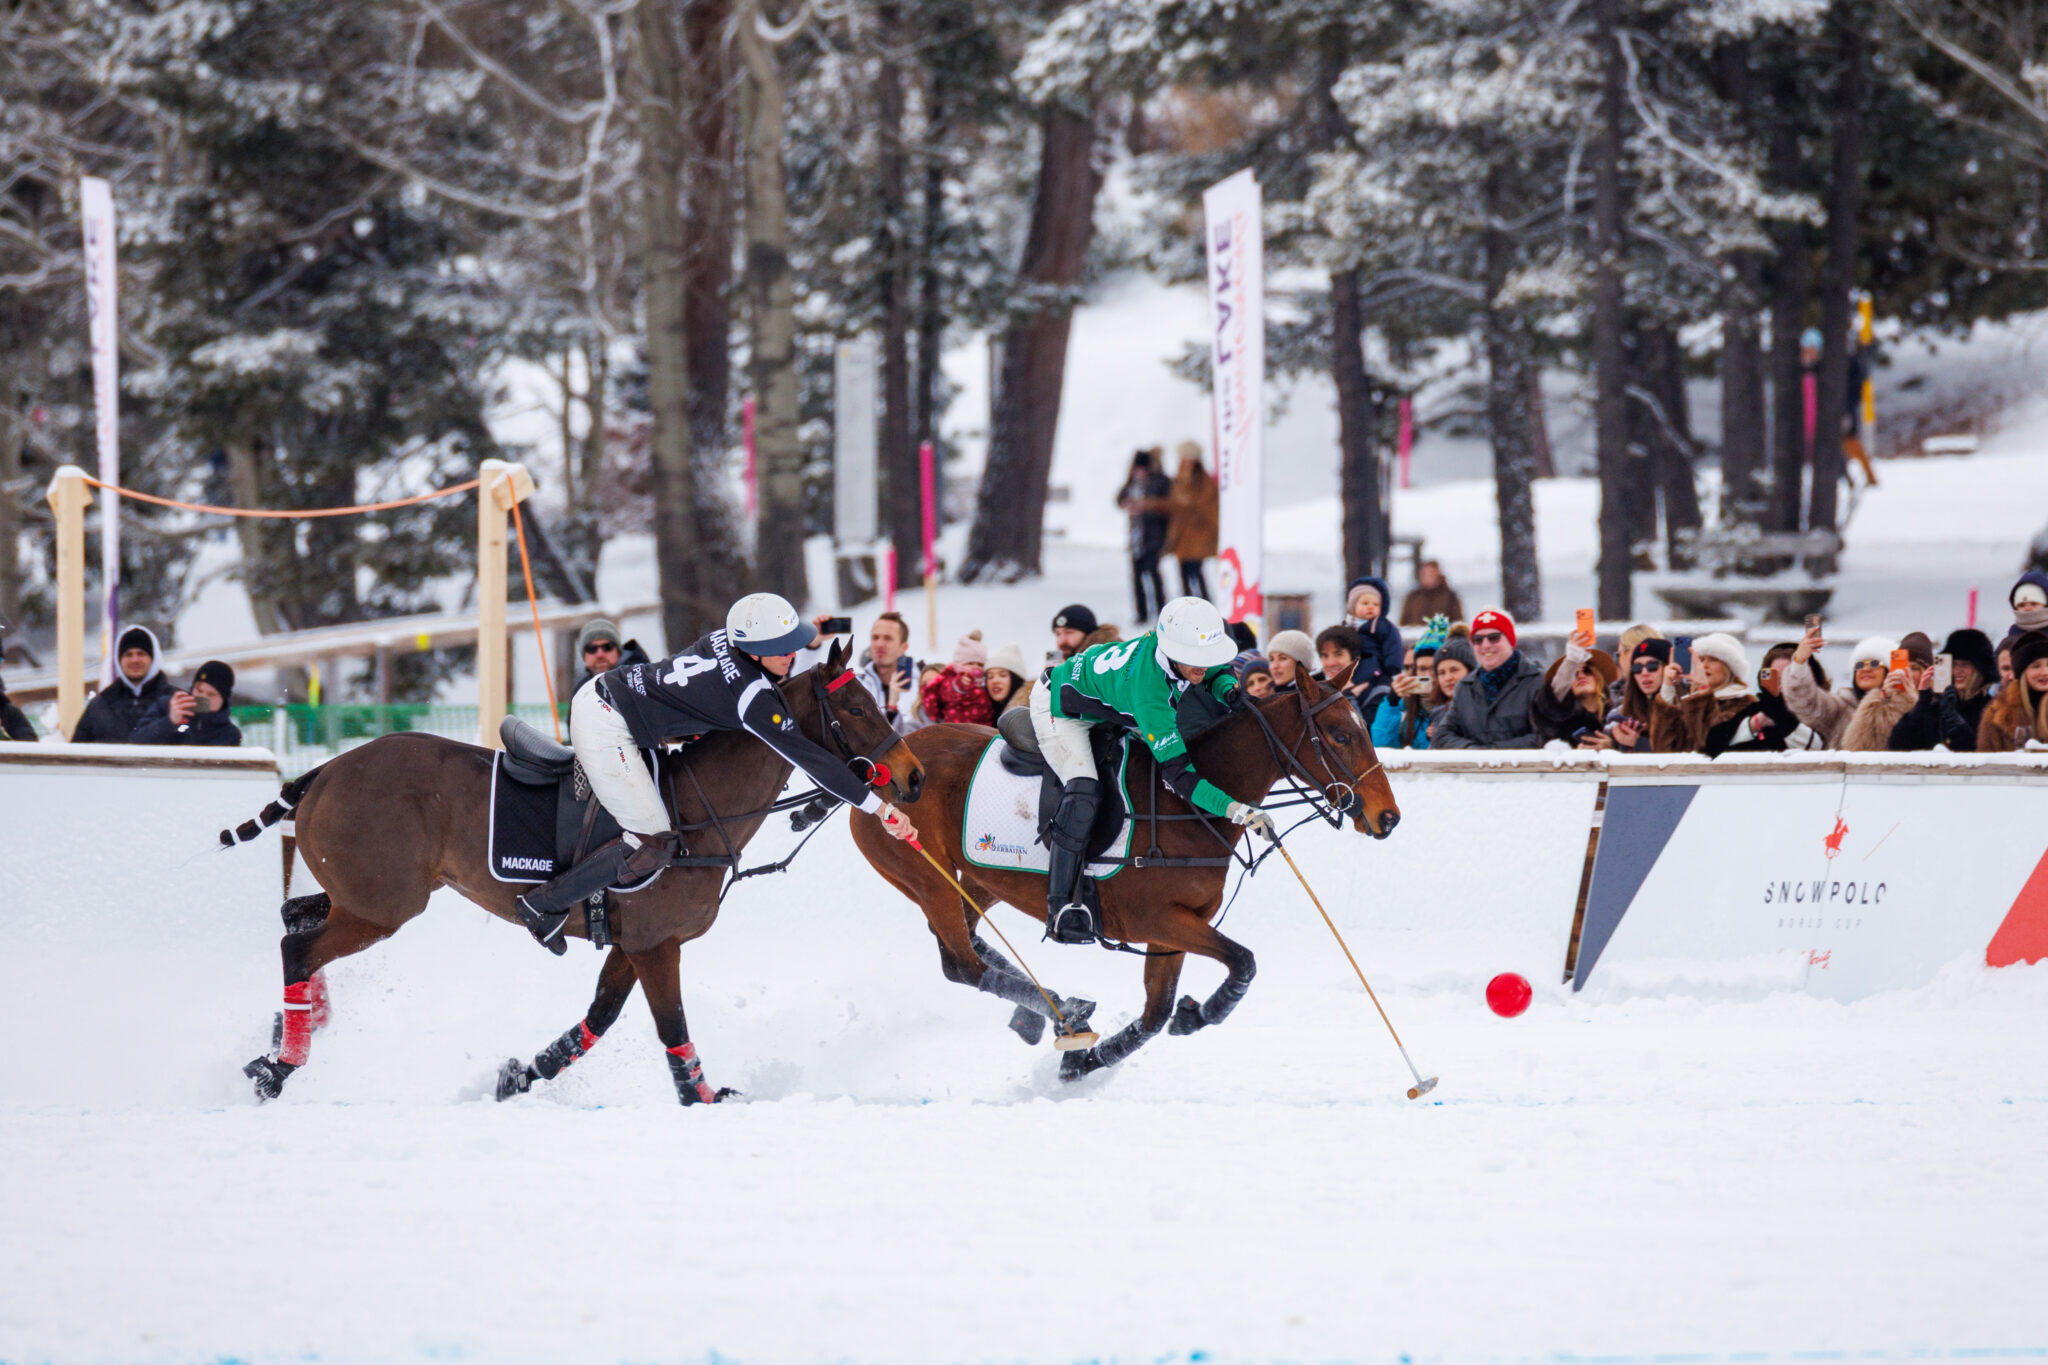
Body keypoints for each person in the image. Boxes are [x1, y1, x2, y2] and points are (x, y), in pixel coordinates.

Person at [515, 593, 920, 953]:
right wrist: (880, 809)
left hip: (609, 689)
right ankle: (545, 904)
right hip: (606, 723)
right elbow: (813, 760)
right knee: (650, 837)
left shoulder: (724, 639)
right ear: (755, 651)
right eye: (780, 648)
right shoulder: (753, 698)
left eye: (792, 645)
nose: (791, 655)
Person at [1032, 596, 1269, 944]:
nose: (1202, 667)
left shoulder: (1178, 649)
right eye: (1195, 660)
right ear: (1174, 651)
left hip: (1108, 702)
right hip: (1060, 709)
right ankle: (1061, 907)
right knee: (1084, 791)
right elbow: (1181, 777)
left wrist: (1229, 692)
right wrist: (1237, 811)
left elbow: (1214, 668)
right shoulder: (1151, 697)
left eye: (1205, 657)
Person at [1433, 609, 1545, 749]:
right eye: (1478, 640)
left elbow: (1546, 734)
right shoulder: (1465, 687)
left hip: (1523, 764)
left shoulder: (1537, 681)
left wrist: (1494, 752)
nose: (1485, 645)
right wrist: (1472, 750)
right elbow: (1442, 737)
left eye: (1494, 637)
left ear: (1510, 641)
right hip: (1476, 763)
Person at [800, 611, 923, 735]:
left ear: (904, 647)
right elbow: (803, 689)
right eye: (875, 637)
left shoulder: (923, 687)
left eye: (888, 638)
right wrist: (813, 644)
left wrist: (893, 707)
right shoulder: (855, 685)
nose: (879, 644)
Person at [1661, 633, 1783, 755]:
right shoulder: (1689, 700)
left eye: (1713, 660)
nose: (1704, 665)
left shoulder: (1744, 702)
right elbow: (1663, 746)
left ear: (1729, 667)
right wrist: (1668, 687)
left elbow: (1709, 744)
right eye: (1701, 659)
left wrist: (1702, 693)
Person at [1782, 627, 1892, 749]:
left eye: (1874, 664)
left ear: (1889, 671)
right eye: (1859, 665)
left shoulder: (1902, 706)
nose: (1865, 669)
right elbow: (1805, 700)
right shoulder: (1841, 708)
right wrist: (1800, 660)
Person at [1887, 628, 1994, 752]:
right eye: (1953, 664)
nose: (1957, 671)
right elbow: (1898, 745)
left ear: (1980, 668)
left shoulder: (1991, 708)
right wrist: (1921, 704)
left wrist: (1953, 718)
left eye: (1965, 665)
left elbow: (1978, 750)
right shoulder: (1935, 708)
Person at [72, 625, 176, 743]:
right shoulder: (100, 705)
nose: (134, 660)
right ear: (119, 660)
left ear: (153, 658)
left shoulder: (177, 701)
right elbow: (76, 750)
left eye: (141, 653)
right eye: (128, 654)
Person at [1840, 632, 1932, 751]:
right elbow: (1859, 748)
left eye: (1914, 668)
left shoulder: (1938, 701)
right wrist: (1882, 703)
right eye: (1903, 668)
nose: (1907, 673)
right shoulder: (1881, 703)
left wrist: (1914, 702)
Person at [1529, 631, 1620, 749]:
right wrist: (1572, 660)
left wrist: (1611, 746)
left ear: (1599, 677)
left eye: (1587, 671)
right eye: (1574, 674)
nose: (1581, 676)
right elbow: (1551, 699)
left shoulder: (1618, 714)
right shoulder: (1558, 720)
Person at [1372, 617, 1447, 750]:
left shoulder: (1456, 704)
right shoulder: (1404, 706)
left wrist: (1446, 735)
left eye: (1433, 669)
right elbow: (1382, 747)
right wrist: (1392, 702)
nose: (1428, 675)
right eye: (1422, 669)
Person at [1116, 449, 1174, 623]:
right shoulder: (1132, 482)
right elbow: (1119, 498)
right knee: (1137, 576)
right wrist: (1127, 503)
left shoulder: (1159, 481)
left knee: (1153, 574)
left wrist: (1147, 506)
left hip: (1154, 536)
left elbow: (1168, 506)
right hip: (1136, 537)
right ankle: (1141, 613)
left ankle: (1161, 610)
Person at [130, 660, 242, 746]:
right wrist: (169, 722)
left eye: (211, 694)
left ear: (223, 699)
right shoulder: (166, 706)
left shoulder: (229, 734)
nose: (203, 697)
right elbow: (136, 741)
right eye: (199, 690)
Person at [1163, 441, 1218, 601]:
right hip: (1182, 537)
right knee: (1183, 573)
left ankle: (1205, 603)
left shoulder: (1205, 482)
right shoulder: (1179, 480)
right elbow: (1174, 504)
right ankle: (1187, 604)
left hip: (1198, 535)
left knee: (1196, 572)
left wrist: (1189, 505)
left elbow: (1208, 507)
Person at [1340, 576, 1405, 705]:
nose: (1370, 607)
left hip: (1376, 672)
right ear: (1353, 606)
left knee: (1372, 699)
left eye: (1376, 604)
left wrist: (1390, 668)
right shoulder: (1346, 626)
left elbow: (1394, 647)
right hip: (1351, 671)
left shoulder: (1383, 626)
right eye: (1365, 603)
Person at [1978, 630, 2048, 751]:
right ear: (2022, 672)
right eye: (2036, 666)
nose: (2045, 672)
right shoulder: (1997, 713)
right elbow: (1986, 758)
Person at [1605, 638, 1675, 752]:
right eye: (1637, 668)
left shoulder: (1687, 705)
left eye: (1652, 666)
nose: (1644, 673)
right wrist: (1610, 746)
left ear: (1668, 667)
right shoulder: (1621, 713)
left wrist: (1638, 743)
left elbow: (1684, 751)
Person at [1754, 643, 1826, 750]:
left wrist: (1781, 717)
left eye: (1789, 679)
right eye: (1777, 680)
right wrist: (1754, 724)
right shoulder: (1759, 712)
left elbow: (1817, 748)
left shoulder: (1825, 712)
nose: (1782, 687)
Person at [919, 630, 995, 726]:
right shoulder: (952, 680)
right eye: (970, 663)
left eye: (980, 664)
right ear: (959, 664)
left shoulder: (983, 682)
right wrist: (960, 685)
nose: (976, 667)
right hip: (958, 728)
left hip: (983, 727)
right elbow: (949, 692)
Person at [573, 618, 651, 693]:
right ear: (584, 656)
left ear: (618, 651)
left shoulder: (643, 681)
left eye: (607, 647)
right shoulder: (581, 690)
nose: (600, 654)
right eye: (591, 649)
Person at [1397, 560, 1464, 626]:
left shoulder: (1450, 597)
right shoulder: (1413, 597)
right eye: (1425, 574)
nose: (1428, 577)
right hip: (1416, 633)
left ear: (1438, 574)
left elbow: (1458, 623)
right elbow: (1404, 623)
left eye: (1431, 573)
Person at [984, 642, 1033, 718]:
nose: (995, 681)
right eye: (990, 677)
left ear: (1015, 680)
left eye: (1002, 675)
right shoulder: (981, 712)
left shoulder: (1031, 713)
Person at [2001, 572, 2048, 650]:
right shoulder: (2013, 633)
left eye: (2033, 604)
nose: (2027, 609)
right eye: (2022, 605)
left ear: (2045, 605)